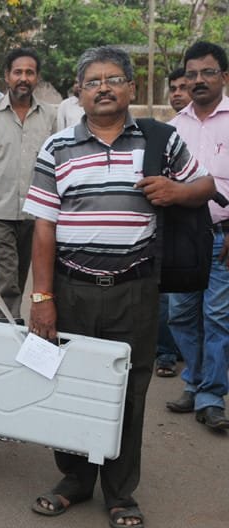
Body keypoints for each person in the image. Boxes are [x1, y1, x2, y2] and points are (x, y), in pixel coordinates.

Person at [24, 46, 213, 528]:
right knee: (66, 383)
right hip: (71, 288)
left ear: (131, 87)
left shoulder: (161, 140)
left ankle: (120, 490)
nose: (103, 87)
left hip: (135, 289)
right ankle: (74, 480)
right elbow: (44, 227)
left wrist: (177, 192)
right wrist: (42, 298)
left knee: (130, 388)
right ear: (79, 92)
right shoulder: (58, 148)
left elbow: (206, 186)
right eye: (92, 81)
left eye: (113, 79)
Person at [165, 41, 229, 429]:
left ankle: (210, 395)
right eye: (192, 74)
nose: (199, 80)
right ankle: (195, 382)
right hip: (183, 237)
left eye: (208, 72)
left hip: (223, 235)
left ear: (224, 76)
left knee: (218, 316)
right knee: (181, 314)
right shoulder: (174, 128)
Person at [0, 47, 57, 320]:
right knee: (7, 280)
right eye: (18, 72)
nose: (23, 78)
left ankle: (10, 325)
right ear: (7, 76)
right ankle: (7, 330)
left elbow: (57, 165)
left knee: (21, 275)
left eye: (29, 72)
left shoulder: (50, 117)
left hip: (36, 214)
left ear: (37, 78)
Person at [155, 67, 189, 379]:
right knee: (166, 296)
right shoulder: (168, 131)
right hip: (170, 224)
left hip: (208, 227)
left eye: (183, 87)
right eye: (173, 88)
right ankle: (165, 352)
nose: (177, 93)